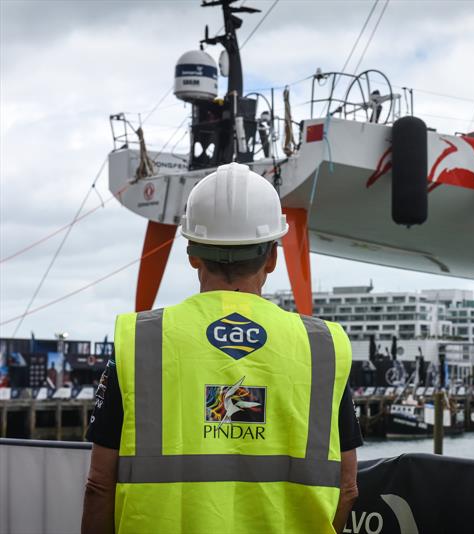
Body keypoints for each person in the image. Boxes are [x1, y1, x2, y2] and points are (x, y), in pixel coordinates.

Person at [81, 162, 361, 533]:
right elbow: (347, 488)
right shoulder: (322, 348)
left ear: (193, 254)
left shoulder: (141, 340)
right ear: (273, 258)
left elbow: (100, 484)